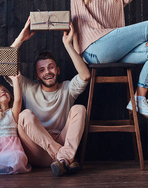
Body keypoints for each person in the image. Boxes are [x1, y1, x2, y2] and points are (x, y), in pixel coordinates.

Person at [5, 17, 90, 176]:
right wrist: (21, 38)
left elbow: (85, 75)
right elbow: (4, 67)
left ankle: (63, 159)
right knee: (24, 115)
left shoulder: (67, 88)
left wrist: (68, 45)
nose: (47, 72)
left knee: (79, 108)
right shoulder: (29, 87)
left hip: (63, 145)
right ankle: (64, 157)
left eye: (51, 67)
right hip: (37, 151)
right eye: (42, 70)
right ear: (37, 76)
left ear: (57, 70)